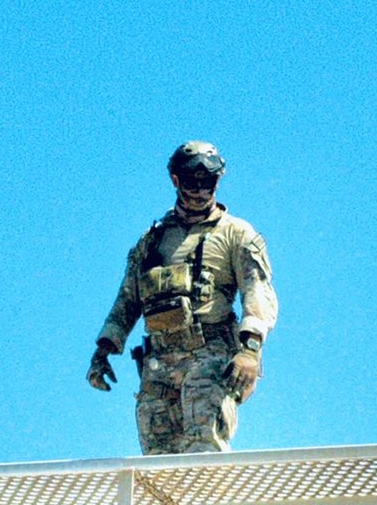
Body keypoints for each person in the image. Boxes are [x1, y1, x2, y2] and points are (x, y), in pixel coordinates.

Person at [88, 142, 277, 454]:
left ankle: (212, 504)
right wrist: (104, 349)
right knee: (157, 457)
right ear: (176, 180)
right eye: (193, 182)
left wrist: (250, 350)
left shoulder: (236, 234)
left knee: (203, 450)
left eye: (209, 182)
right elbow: (128, 299)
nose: (201, 191)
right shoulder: (154, 239)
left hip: (209, 355)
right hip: (158, 364)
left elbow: (258, 291)